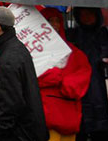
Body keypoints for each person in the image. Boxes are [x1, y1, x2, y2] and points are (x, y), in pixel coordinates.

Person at [0, 6, 49, 141]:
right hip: (28, 131)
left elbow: (8, 106)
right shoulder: (16, 48)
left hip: (19, 134)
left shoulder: (8, 59)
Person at [38, 8, 92, 141]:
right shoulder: (34, 51)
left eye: (58, 21)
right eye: (50, 21)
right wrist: (57, 75)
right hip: (47, 115)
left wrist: (65, 82)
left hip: (69, 114)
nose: (55, 25)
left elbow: (84, 72)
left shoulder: (75, 52)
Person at [68, 7, 108, 140]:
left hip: (98, 79)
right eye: (83, 14)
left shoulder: (102, 32)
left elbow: (106, 51)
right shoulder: (74, 34)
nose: (86, 17)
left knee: (99, 109)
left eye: (90, 14)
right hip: (80, 78)